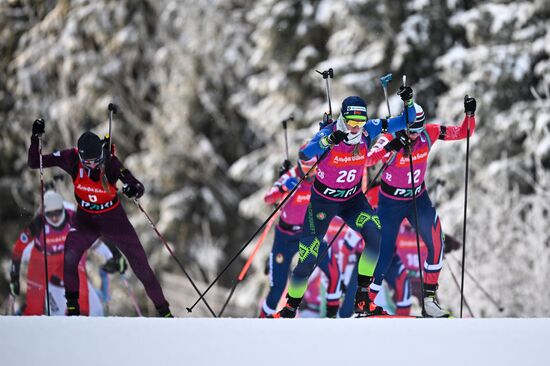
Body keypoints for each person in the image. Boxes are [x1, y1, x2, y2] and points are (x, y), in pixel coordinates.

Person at [274, 88, 416, 318]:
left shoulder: (368, 130)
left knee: (375, 234)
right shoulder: (329, 133)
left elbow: (406, 120)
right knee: (308, 255)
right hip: (323, 202)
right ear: (343, 118)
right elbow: (304, 155)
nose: (355, 127)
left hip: (352, 201)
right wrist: (328, 141)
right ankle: (290, 308)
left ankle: (362, 299)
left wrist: (408, 101)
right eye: (351, 122)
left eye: (360, 122)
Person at [27, 121, 172, 317]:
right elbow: (35, 162)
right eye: (89, 162)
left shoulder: (110, 162)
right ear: (80, 156)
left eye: (97, 160)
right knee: (69, 255)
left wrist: (132, 189)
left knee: (141, 265)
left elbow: (136, 185)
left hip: (114, 220)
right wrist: (36, 138)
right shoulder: (70, 158)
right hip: (86, 221)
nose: (94, 165)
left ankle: (164, 312)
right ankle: (72, 310)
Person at [364, 95, 476, 317]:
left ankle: (430, 301)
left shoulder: (429, 133)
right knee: (383, 253)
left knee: (437, 243)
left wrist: (470, 115)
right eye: (411, 130)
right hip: (390, 202)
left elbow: (465, 132)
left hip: (417, 198)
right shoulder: (389, 137)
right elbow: (367, 160)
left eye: (418, 129)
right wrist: (390, 147)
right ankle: (367, 301)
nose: (414, 135)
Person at [8, 190, 124, 316]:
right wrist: (14, 278)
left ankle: (79, 322)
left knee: (81, 293)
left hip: (66, 257)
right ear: (44, 214)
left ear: (63, 209)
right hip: (41, 260)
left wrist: (116, 255)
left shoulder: (74, 219)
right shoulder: (38, 224)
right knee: (34, 307)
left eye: (57, 213)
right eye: (49, 214)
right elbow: (18, 249)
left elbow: (99, 234)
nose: (54, 217)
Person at [260, 156, 342, 318]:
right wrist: (282, 188)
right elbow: (268, 198)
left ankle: (333, 318)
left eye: (314, 168)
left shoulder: (322, 178)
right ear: (300, 165)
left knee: (334, 272)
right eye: (306, 168)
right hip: (285, 237)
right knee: (277, 288)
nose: (310, 173)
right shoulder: (291, 176)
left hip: (309, 235)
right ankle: (262, 322)